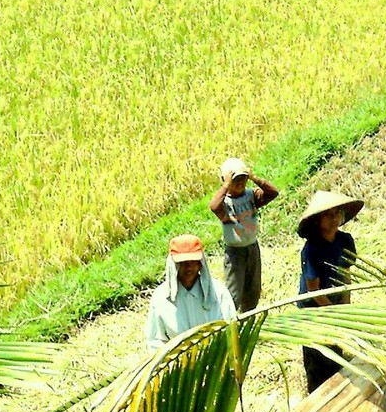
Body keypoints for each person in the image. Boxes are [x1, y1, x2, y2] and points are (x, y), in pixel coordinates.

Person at [296, 190, 363, 392]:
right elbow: (313, 290)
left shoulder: (345, 241)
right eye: (328, 214)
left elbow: (345, 275)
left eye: (337, 213)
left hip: (334, 302)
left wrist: (345, 309)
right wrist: (333, 313)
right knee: (318, 354)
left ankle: (337, 391)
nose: (334, 218)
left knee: (336, 352)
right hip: (314, 309)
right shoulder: (311, 250)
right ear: (317, 220)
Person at [209, 157, 279, 312]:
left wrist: (254, 177)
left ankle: (247, 320)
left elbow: (273, 192)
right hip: (235, 252)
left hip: (252, 247)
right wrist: (226, 185)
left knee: (253, 291)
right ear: (225, 180)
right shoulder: (225, 203)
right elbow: (213, 206)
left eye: (243, 178)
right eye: (235, 179)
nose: (240, 182)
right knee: (233, 294)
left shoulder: (251, 196)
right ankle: (230, 324)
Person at [144, 234, 236, 351]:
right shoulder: (161, 298)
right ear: (173, 265)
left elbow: (231, 329)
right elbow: (156, 341)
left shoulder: (218, 292)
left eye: (193, 261)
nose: (189, 267)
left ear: (200, 263)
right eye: (183, 262)